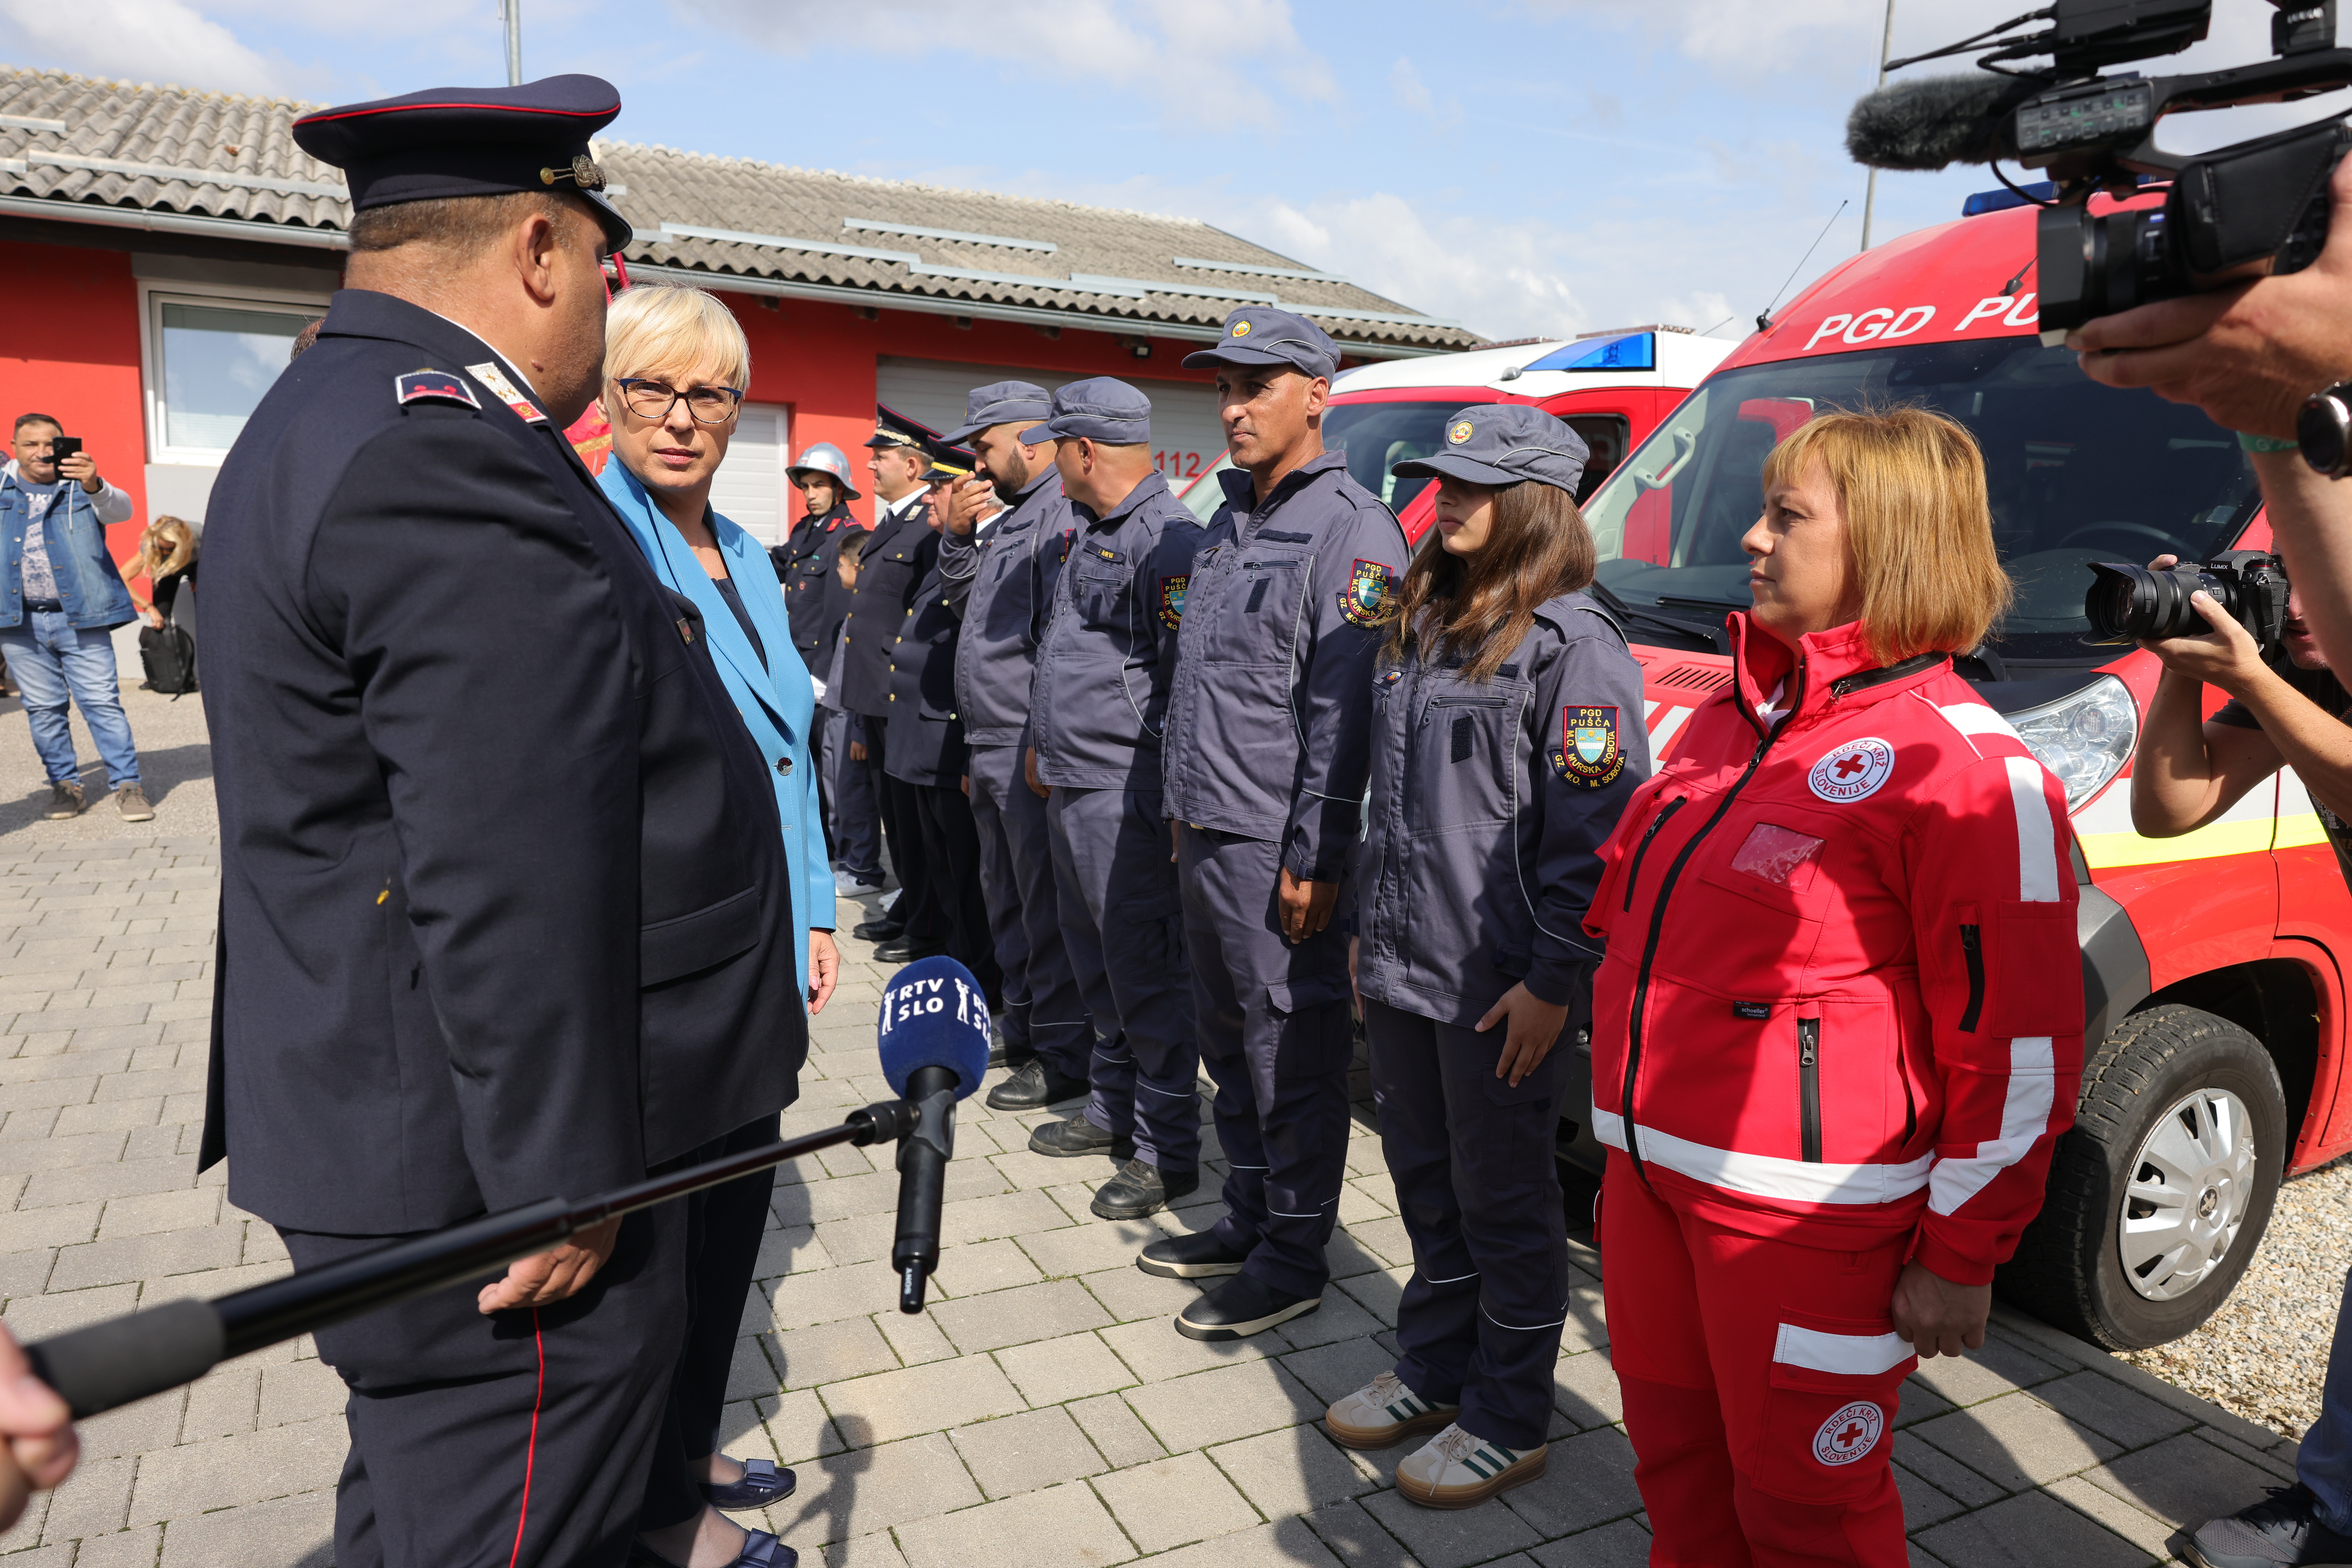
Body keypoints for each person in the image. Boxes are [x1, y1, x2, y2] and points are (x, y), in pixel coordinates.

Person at [197, 77, 805, 1568]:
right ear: (543, 247)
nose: (613, 301)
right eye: (608, 265)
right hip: (489, 1179)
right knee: (514, 1521)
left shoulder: (338, 409)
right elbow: (507, 858)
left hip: (410, 1119)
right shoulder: (440, 449)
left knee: (428, 1503)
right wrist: (561, 1180)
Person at [1582, 407, 2080, 1566]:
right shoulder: (1725, 720)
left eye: (1787, 516)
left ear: (1890, 543)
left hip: (1808, 1223)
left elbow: (2019, 1047)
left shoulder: (1968, 770)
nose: (1752, 538)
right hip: (1650, 1179)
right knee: (1677, 1471)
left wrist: (1962, 1256)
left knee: (1806, 1515)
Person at [1319, 405, 1650, 1507]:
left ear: (1539, 506)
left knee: (1504, 1202)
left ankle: (1510, 1412)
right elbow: (1397, 808)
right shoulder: (1426, 615)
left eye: (1471, 485)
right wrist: (1372, 927)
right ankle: (1434, 1367)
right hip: (1411, 967)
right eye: (1440, 481)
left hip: (1500, 987)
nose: (1445, 499)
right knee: (1425, 1185)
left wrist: (1553, 984)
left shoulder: (1573, 647)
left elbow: (1592, 846)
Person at [595, 282, 834, 1568]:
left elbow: (786, 751)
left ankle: (688, 1443)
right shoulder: (586, 534)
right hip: (657, 963)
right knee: (655, 1253)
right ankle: (652, 1508)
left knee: (731, 1223)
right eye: (653, 388)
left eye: (710, 394)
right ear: (609, 390)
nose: (682, 419)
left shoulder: (743, 550)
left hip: (756, 946)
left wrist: (818, 905)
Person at [1139, 306, 1410, 1341]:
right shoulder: (1228, 518)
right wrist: (1178, 807)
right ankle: (1249, 1218)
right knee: (1226, 1042)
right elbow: (1199, 683)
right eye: (1224, 387)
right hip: (1206, 829)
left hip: (1274, 848)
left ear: (1315, 394)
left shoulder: (1350, 528)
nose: (1233, 407)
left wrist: (1315, 855)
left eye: (1257, 386)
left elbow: (1345, 716)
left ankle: (1295, 1254)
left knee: (1286, 1055)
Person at [2121, 574, 2352, 1568]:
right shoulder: (2311, 676)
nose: (2295, 600)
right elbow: (2169, 806)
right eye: (2283, 576)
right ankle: (2334, 1512)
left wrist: (2253, 676)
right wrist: (2179, 671)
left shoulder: (2288, 680)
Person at [1024, 378, 1208, 1219]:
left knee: (1143, 973)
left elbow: (1182, 690)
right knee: (1095, 961)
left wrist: (1169, 807)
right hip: (1074, 783)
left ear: (1084, 450)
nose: (1047, 459)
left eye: (1055, 445)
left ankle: (1167, 1152)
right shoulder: (1088, 531)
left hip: (1124, 795)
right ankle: (1110, 1109)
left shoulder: (1169, 544)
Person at [937, 383, 1095, 1111]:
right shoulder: (1009, 522)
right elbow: (972, 615)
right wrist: (957, 540)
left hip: (1026, 747)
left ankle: (1062, 1050)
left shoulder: (1058, 519)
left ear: (1030, 443)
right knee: (1004, 895)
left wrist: (1035, 740)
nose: (975, 462)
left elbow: (1055, 649)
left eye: (983, 445)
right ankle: (1024, 1023)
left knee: (1041, 905)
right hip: (990, 743)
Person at [880, 455, 999, 982]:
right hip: (924, 741)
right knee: (945, 874)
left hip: (951, 741)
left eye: (938, 488)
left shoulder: (989, 550)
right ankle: (958, 963)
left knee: (969, 879)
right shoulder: (950, 552)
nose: (928, 496)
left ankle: (983, 982)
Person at [0, 415, 149, 822]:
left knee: (102, 703)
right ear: (14, 446)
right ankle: (66, 786)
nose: (43, 452)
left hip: (81, 616)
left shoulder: (83, 485)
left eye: (51, 443)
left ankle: (128, 785)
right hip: (18, 622)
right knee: (44, 708)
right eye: (31, 444)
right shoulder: (2, 485)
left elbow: (122, 510)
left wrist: (94, 483)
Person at [837, 416, 940, 954]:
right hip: (875, 696)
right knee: (895, 823)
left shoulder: (927, 525)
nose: (871, 464)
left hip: (901, 696)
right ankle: (910, 908)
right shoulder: (892, 523)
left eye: (882, 456)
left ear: (913, 465)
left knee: (912, 822)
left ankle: (924, 922)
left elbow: (924, 616)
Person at [770, 443, 871, 894]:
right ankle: (828, 851)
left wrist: (828, 672)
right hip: (799, 665)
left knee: (839, 774)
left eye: (818, 486)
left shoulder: (846, 536)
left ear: (840, 489)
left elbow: (841, 611)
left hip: (826, 671)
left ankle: (856, 860)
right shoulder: (806, 531)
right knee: (811, 767)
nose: (810, 494)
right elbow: (783, 571)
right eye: (805, 486)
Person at [820, 532, 886, 898]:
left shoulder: (869, 608)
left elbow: (867, 670)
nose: (838, 570)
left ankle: (864, 866)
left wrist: (861, 727)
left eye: (842, 564)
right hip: (835, 707)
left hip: (852, 715)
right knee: (836, 789)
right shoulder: (854, 604)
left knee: (854, 791)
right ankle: (846, 859)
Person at [121, 515, 198, 636]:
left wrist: (197, 577)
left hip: (197, 566)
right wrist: (149, 608)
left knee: (208, 610)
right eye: (160, 548)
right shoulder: (150, 545)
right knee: (160, 618)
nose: (165, 553)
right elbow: (122, 579)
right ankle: (168, 652)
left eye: (169, 549)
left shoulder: (199, 535)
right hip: (166, 571)